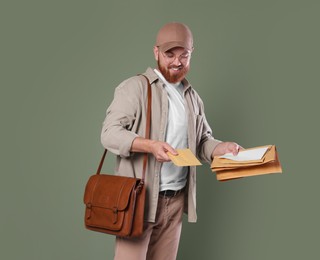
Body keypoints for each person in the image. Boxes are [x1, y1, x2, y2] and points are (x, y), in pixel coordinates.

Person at [101, 22, 241, 260]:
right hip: (139, 201)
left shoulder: (192, 97)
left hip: (175, 202)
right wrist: (150, 145)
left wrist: (220, 148)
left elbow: (202, 141)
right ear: (156, 53)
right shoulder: (135, 88)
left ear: (191, 54)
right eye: (170, 54)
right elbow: (109, 133)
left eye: (183, 55)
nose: (177, 62)